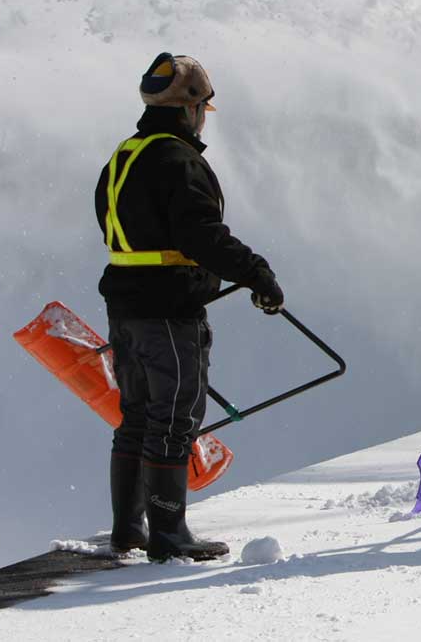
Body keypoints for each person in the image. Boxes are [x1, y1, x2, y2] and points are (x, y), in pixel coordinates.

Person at [95, 53, 285, 561]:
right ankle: (170, 535)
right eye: (204, 107)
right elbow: (201, 233)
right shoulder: (176, 160)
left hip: (126, 308)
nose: (204, 118)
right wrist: (256, 273)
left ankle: (128, 529)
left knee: (136, 415)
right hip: (167, 311)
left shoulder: (126, 155)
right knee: (175, 417)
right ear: (190, 107)